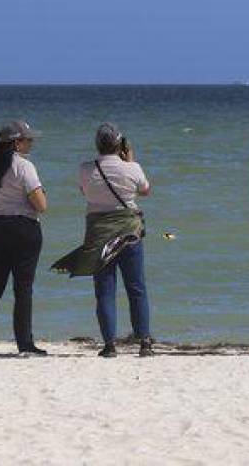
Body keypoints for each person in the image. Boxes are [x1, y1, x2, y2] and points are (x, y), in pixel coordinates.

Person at [0, 121, 48, 357]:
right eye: (28, 139)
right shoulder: (24, 167)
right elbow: (41, 205)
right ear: (16, 143)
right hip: (23, 228)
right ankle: (24, 344)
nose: (31, 142)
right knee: (22, 289)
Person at [77, 123, 153, 358]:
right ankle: (144, 342)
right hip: (129, 232)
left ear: (97, 145)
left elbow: (84, 192)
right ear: (120, 144)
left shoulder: (85, 169)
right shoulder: (132, 168)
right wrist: (130, 161)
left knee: (105, 290)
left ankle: (109, 344)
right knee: (136, 287)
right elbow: (145, 190)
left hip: (99, 234)